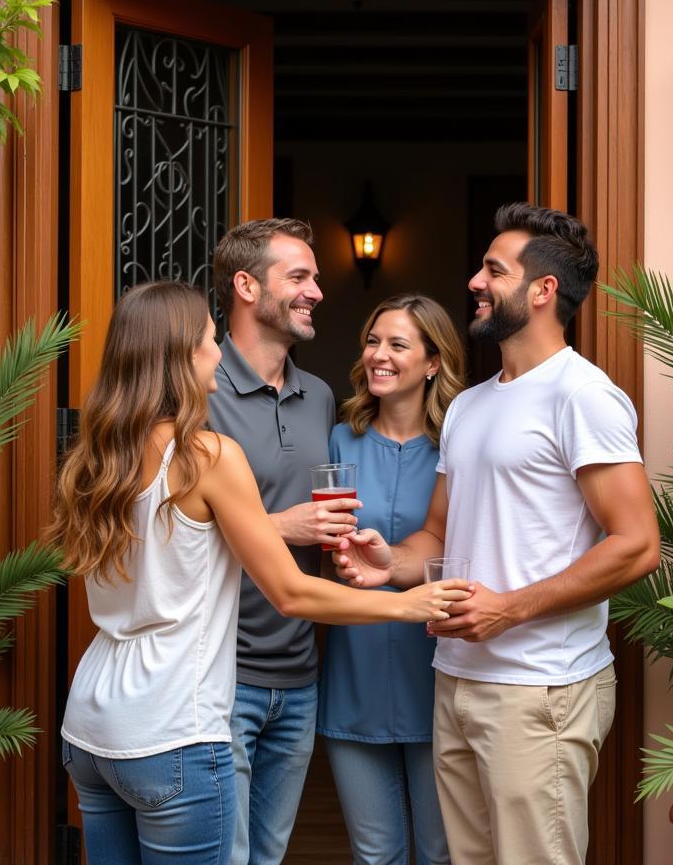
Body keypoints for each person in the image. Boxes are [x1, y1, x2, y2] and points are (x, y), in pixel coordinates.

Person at [51, 281, 471, 865]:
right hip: (175, 726)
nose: (219, 353)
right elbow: (292, 592)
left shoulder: (95, 456)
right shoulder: (209, 456)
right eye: (206, 340)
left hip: (92, 728)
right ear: (178, 356)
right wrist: (412, 604)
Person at [334, 203, 660, 865]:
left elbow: (637, 544)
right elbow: (436, 536)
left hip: (540, 688)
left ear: (543, 291)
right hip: (456, 679)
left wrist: (507, 610)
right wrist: (388, 563)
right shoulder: (471, 406)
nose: (475, 282)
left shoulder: (583, 396)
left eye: (493, 270)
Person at [207, 218, 363, 865]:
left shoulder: (319, 395)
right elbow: (162, 527)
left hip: (300, 678)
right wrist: (283, 527)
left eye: (316, 278)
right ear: (246, 286)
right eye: (299, 277)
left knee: (266, 857)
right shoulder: (197, 389)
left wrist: (346, 549)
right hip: (220, 674)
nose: (317, 292)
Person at [317, 294, 466, 865]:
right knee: (375, 852)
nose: (378, 355)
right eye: (373, 341)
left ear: (433, 363)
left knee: (439, 852)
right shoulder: (338, 441)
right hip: (354, 674)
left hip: (438, 674)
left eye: (397, 344)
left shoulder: (460, 445)